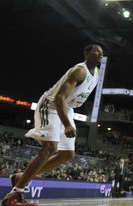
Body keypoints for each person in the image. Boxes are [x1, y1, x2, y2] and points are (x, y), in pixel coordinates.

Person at [2, 44, 103, 206]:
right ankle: (13, 196)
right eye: (96, 51)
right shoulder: (80, 71)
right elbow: (59, 98)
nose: (100, 54)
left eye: (102, 52)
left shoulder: (97, 74)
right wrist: (67, 124)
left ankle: (22, 177)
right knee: (50, 148)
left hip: (67, 108)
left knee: (67, 154)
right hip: (50, 106)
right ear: (86, 53)